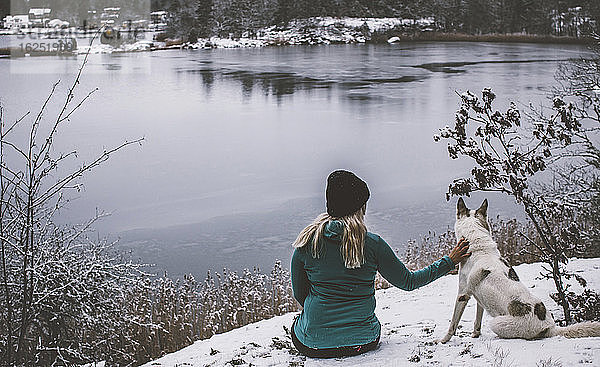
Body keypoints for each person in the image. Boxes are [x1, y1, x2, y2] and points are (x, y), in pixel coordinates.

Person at [290, 170, 471, 358]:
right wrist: (449, 261)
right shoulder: (372, 244)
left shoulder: (306, 244)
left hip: (313, 345)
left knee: (299, 322)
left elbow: (300, 295)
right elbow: (409, 282)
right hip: (363, 341)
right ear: (359, 207)